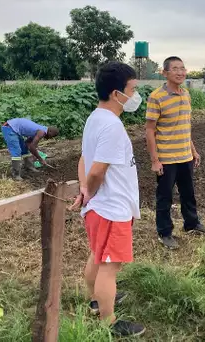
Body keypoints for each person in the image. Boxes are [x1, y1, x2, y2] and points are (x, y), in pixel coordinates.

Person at [69, 61, 145, 337]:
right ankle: (108, 322)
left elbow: (83, 160)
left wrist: (84, 190)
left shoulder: (95, 118)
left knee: (98, 257)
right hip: (111, 208)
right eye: (133, 89)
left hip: (98, 208)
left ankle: (95, 301)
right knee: (110, 267)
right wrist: (91, 188)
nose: (136, 95)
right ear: (117, 94)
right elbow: (97, 169)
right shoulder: (112, 125)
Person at [145, 56, 205, 250]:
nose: (180, 72)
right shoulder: (156, 97)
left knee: (188, 193)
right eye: (175, 68)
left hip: (185, 156)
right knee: (164, 196)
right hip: (166, 158)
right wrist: (155, 160)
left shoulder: (186, 94)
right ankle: (164, 232)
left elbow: (185, 126)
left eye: (182, 68)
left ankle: (192, 223)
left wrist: (193, 150)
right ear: (165, 73)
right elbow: (149, 130)